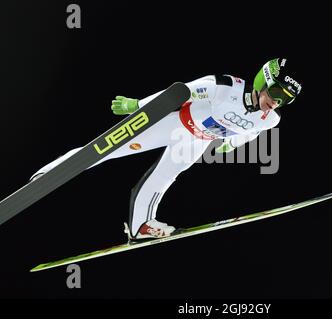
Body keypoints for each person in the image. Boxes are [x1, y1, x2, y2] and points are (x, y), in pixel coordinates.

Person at [30, 58, 302, 241]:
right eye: (275, 95)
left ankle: (140, 226)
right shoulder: (224, 87)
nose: (276, 104)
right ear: (261, 83)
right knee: (109, 147)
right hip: (174, 124)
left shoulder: (271, 119)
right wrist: (138, 106)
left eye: (284, 101)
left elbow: (251, 133)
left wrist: (230, 144)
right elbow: (178, 93)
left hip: (197, 142)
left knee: (163, 179)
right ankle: (49, 174)